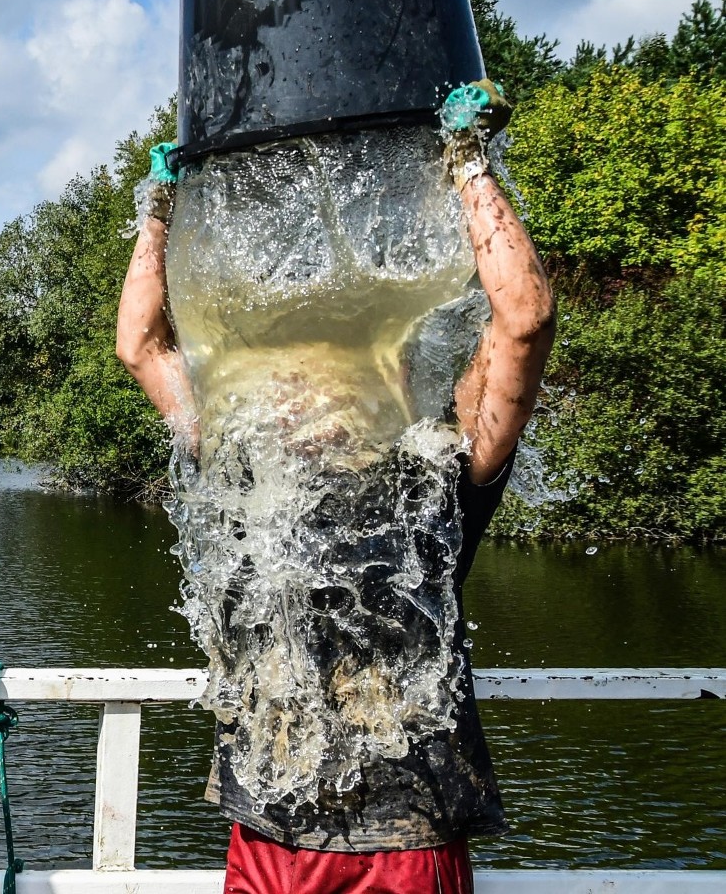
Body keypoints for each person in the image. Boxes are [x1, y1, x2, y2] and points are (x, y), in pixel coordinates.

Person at [117, 83, 556, 894]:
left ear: (382, 389)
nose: (295, 399)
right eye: (283, 384)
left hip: (401, 839)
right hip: (266, 826)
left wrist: (467, 164)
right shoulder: (242, 475)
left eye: (322, 384)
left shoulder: (436, 479)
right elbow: (140, 342)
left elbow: (522, 317)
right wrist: (161, 203)